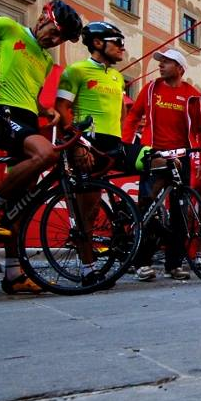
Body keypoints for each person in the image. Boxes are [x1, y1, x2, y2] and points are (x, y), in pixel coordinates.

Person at [0, 0, 83, 293]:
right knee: (44, 153)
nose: (55, 41)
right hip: (0, 113)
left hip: (27, 119)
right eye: (55, 33)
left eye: (62, 39)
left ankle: (14, 275)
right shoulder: (7, 27)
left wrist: (48, 112)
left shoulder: (44, 60)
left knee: (21, 203)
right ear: (44, 16)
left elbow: (30, 96)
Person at [56, 21, 154, 287]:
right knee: (87, 212)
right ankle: (89, 270)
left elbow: (121, 114)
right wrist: (76, 144)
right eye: (117, 41)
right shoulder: (75, 70)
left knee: (161, 161)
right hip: (87, 143)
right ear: (98, 43)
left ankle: (146, 217)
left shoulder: (117, 77)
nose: (123, 47)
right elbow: (62, 109)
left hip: (114, 144)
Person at [122, 48, 201, 281]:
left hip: (181, 160)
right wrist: (127, 145)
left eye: (167, 62)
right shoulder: (151, 89)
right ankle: (142, 262)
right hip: (153, 156)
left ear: (180, 69)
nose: (160, 65)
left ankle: (174, 264)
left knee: (180, 213)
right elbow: (133, 116)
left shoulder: (193, 95)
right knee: (147, 207)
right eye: (160, 62)